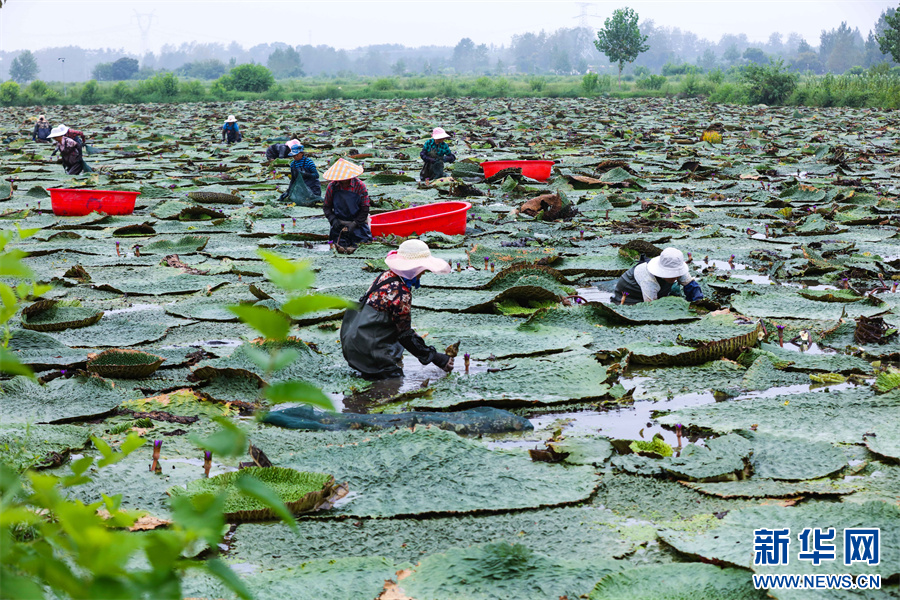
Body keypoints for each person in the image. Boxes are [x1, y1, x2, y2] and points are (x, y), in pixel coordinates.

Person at [341, 239, 454, 379]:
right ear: (414, 267)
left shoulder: (386, 276)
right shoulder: (401, 293)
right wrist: (436, 357)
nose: (424, 273)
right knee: (393, 383)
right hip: (369, 350)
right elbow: (405, 336)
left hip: (353, 342)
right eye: (422, 268)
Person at [612, 247, 704, 305]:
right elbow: (652, 307)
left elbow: (692, 287)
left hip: (658, 288)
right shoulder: (649, 280)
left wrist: (698, 305)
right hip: (630, 294)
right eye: (671, 274)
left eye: (677, 274)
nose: (676, 277)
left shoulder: (676, 265)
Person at [322, 158, 372, 248]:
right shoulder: (332, 187)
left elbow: (365, 208)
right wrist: (333, 219)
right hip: (339, 224)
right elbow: (326, 207)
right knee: (337, 249)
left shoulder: (360, 186)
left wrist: (355, 224)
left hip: (357, 224)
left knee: (363, 248)